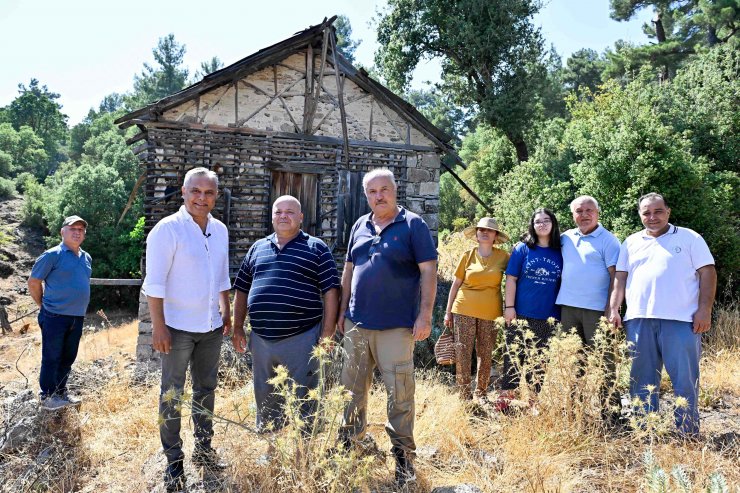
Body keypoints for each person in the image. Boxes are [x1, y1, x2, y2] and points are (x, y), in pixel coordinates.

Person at [337, 168, 437, 486]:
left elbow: (429, 271)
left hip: (396, 327)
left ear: (395, 190)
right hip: (356, 324)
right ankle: (350, 449)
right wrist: (342, 312)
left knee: (400, 393)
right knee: (351, 392)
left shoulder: (413, 225)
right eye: (372, 192)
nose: (379, 196)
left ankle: (403, 461)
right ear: (366, 196)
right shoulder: (359, 225)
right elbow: (349, 270)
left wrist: (425, 315)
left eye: (384, 190)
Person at [142, 167, 232, 492]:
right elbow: (154, 284)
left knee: (206, 390)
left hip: (210, 327)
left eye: (208, 193)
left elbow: (222, 278)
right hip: (177, 329)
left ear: (216, 196)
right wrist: (159, 327)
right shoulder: (167, 230)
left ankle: (204, 449)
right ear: (183, 191)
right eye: (196, 191)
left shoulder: (220, 230)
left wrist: (228, 315)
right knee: (172, 394)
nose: (201, 198)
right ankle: (173, 461)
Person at [608, 193, 716, 436]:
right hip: (638, 320)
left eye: (658, 211)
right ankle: (645, 431)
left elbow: (708, 273)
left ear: (668, 211)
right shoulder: (631, 242)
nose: (652, 217)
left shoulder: (690, 238)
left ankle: (687, 432)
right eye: (646, 212)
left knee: (684, 379)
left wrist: (704, 309)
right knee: (641, 379)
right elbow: (620, 278)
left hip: (681, 321)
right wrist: (614, 309)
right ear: (639, 215)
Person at [231, 195, 339, 433]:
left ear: (301, 217)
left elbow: (331, 291)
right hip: (261, 341)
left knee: (306, 399)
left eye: (289, 212)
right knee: (266, 396)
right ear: (272, 216)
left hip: (303, 338)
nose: (283, 216)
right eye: (278, 211)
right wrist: (237, 327)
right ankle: (271, 448)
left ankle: (306, 452)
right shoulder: (257, 248)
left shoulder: (316, 248)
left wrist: (328, 333)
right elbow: (241, 289)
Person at [556, 196, 621, 421]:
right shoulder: (565, 238)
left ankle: (611, 413)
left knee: (604, 362)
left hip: (597, 311)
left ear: (598, 213)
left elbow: (616, 277)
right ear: (573, 215)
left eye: (589, 210)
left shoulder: (609, 241)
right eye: (579, 211)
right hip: (568, 309)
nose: (584, 215)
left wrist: (611, 308)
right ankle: (573, 409)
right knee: (573, 361)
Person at [499, 208, 563, 408]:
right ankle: (505, 401)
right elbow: (511, 279)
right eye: (537, 222)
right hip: (521, 313)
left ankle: (533, 403)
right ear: (532, 226)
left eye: (546, 220)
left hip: (549, 315)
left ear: (553, 224)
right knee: (513, 357)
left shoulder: (561, 251)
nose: (542, 224)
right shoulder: (523, 249)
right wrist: (509, 307)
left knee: (540, 361)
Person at [28, 215, 92, 410]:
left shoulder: (86, 257)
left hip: (77, 317)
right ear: (62, 231)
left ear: (84, 234)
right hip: (54, 316)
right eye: (72, 228)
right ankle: (47, 396)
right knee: (52, 356)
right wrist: (43, 306)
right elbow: (33, 281)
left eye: (81, 229)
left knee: (68, 357)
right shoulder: (52, 255)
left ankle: (61, 392)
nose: (77, 232)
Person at [443, 217, 510, 403]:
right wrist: (448, 311)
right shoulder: (468, 255)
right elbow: (455, 285)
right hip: (463, 309)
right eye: (481, 230)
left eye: (489, 230)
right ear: (477, 234)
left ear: (495, 235)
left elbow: (515, 279)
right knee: (463, 352)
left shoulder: (504, 257)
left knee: (485, 353)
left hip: (491, 313)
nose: (484, 232)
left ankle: (481, 393)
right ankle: (464, 395)